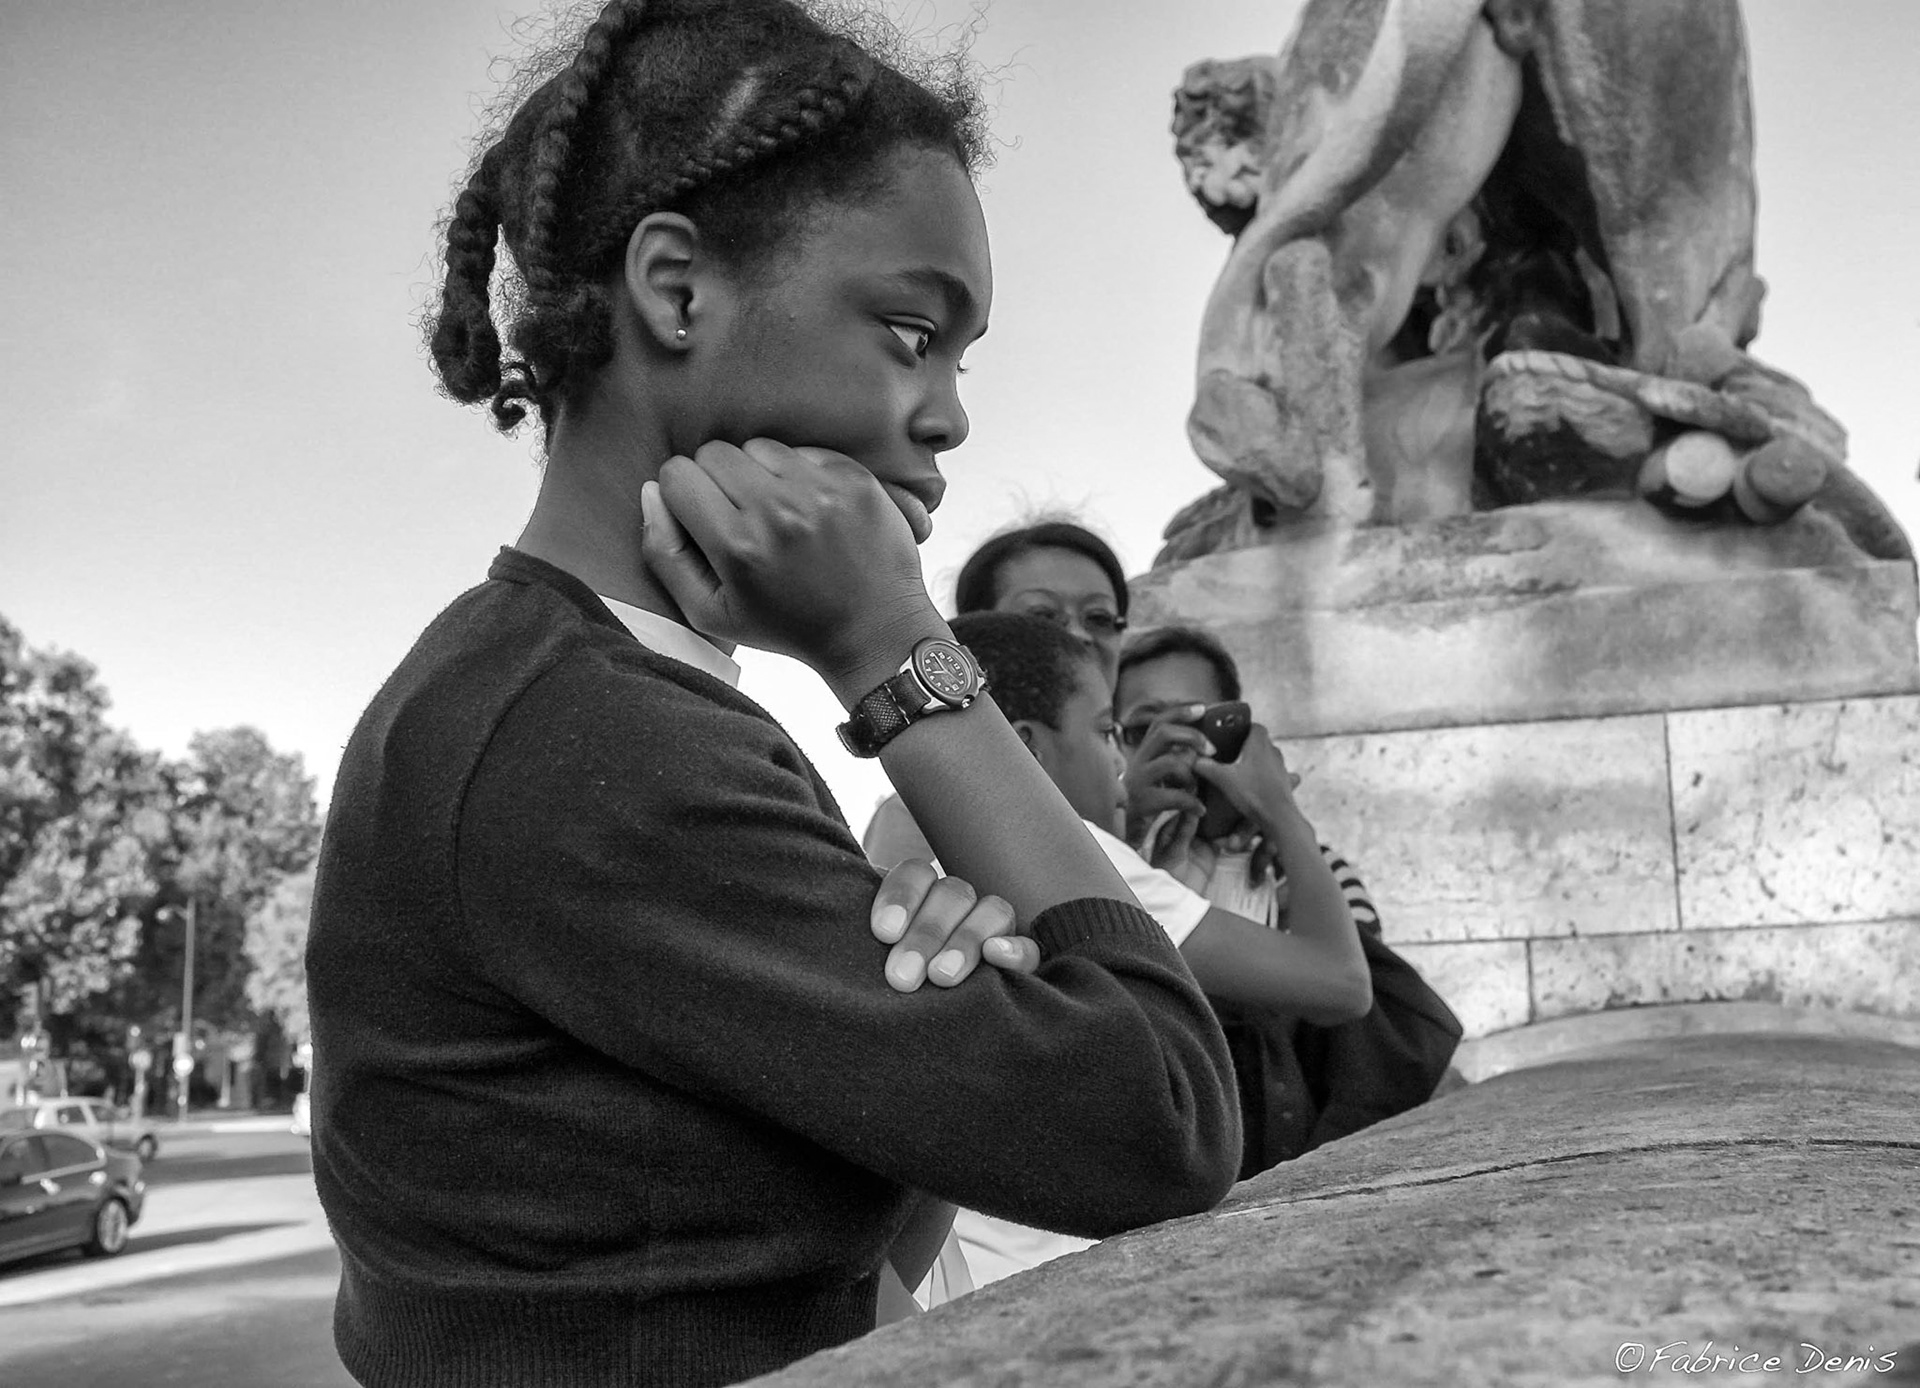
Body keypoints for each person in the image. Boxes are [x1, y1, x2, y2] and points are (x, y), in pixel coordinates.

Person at [303, 6, 1241, 1386]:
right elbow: (1162, 1117)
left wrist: (974, 1001)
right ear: (677, 290)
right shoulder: (582, 742)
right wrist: (894, 649)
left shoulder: (592, 692)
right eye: (912, 330)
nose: (950, 416)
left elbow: (860, 1218)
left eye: (961, 359)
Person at [941, 612, 1371, 1285]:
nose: (1122, 763)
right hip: (1071, 1272)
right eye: (1114, 731)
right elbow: (1345, 984)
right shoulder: (1074, 853)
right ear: (1024, 750)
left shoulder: (957, 854)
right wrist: (1279, 805)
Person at [1115, 624, 1464, 1179]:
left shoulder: (1301, 868)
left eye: (1196, 720)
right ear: (1117, 743)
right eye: (1144, 727)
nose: (1177, 743)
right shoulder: (1120, 861)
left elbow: (1357, 988)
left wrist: (1280, 816)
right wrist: (1134, 836)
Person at [862, 517, 1130, 869]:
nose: (1079, 634)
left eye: (1099, 617)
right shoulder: (922, 812)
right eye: (1043, 616)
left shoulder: (1137, 795)